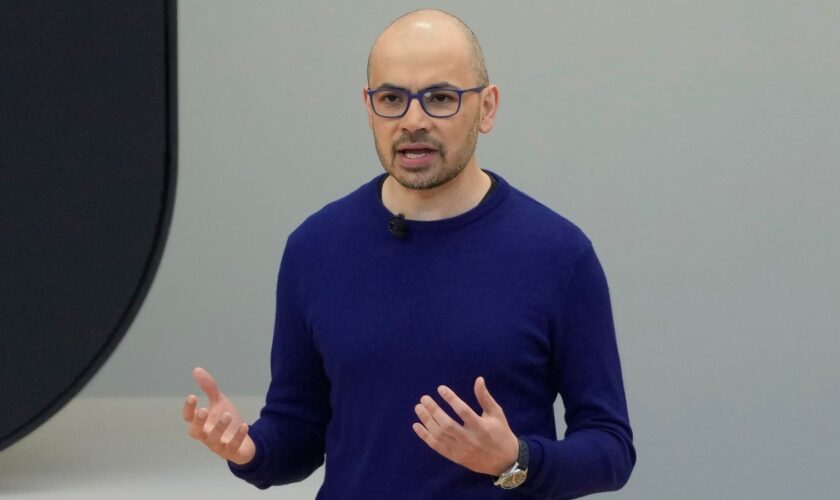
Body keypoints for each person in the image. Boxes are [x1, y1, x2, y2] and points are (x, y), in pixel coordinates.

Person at [182, 9, 636, 499]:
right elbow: (299, 429)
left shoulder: (558, 254)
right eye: (392, 99)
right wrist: (249, 450)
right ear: (369, 107)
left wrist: (516, 461)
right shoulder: (315, 248)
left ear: (487, 108)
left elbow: (610, 449)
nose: (412, 121)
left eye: (440, 98)